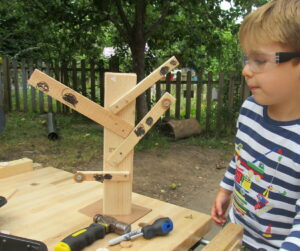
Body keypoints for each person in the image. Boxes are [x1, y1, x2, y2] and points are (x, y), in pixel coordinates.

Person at [211, 0, 300, 250]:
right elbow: (241, 156)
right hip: (236, 232)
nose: (245, 71)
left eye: (259, 61)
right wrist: (225, 190)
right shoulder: (250, 109)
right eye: (247, 59)